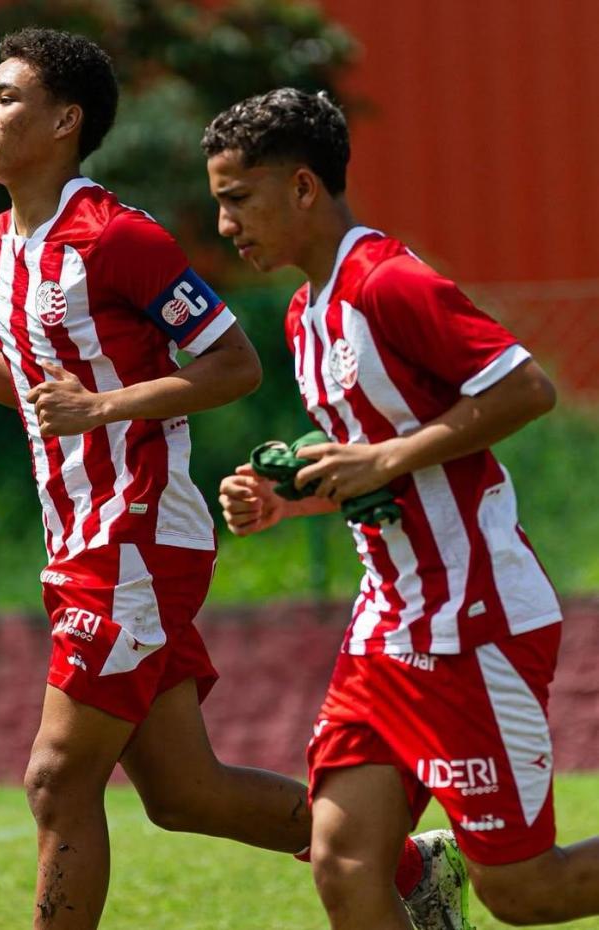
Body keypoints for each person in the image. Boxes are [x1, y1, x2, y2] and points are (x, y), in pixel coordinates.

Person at [0, 29, 462, 930]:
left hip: (134, 538)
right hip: (79, 541)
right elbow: (31, 396)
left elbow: (235, 365)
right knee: (185, 793)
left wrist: (104, 408)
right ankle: (406, 868)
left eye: (6, 98)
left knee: (55, 778)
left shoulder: (117, 238)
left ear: (64, 121)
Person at [206, 86, 599, 930]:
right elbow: (376, 466)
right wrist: (290, 500)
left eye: (238, 198)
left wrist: (386, 453)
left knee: (524, 893)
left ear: (303, 188)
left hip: (475, 619)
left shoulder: (390, 282)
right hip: (387, 627)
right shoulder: (307, 315)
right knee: (345, 860)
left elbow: (526, 389)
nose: (227, 223)